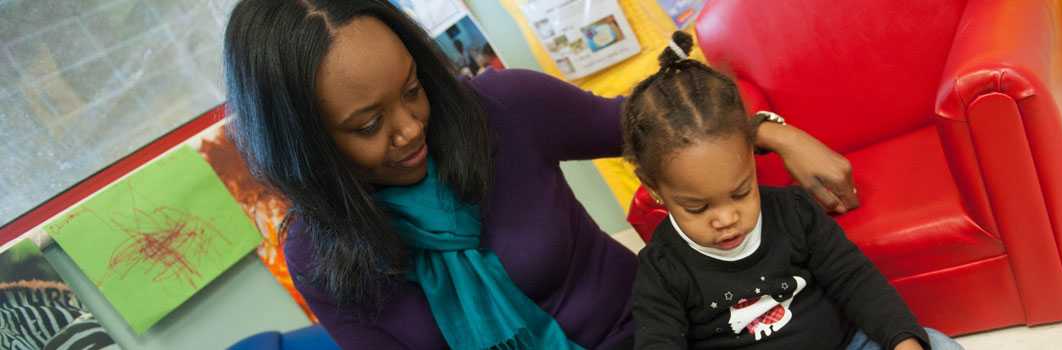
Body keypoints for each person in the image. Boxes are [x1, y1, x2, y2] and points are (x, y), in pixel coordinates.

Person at [223, 1, 857, 349]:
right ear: (304, 142)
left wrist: (772, 130)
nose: (411, 128)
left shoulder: (506, 110)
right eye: (367, 125)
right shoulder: (319, 253)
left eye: (413, 91)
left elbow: (667, 126)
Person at [624, 32, 963, 350]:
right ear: (654, 189)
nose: (727, 219)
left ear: (750, 157)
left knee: (936, 343)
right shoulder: (662, 270)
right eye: (697, 208)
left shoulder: (794, 212)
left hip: (846, 344)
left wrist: (903, 342)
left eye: (741, 192)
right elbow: (659, 342)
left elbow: (855, 280)